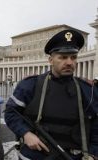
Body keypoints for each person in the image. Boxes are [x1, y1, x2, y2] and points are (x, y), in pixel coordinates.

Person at [5, 29, 98, 160]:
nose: (69, 62)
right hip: (35, 155)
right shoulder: (30, 85)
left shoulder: (88, 90)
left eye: (73, 57)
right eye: (63, 57)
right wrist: (26, 133)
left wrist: (94, 152)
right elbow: (10, 112)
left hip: (74, 156)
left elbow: (95, 124)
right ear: (51, 60)